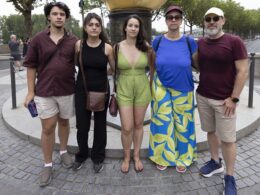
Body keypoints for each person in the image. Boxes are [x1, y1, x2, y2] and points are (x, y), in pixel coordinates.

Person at [23, 2, 78, 187]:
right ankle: (47, 164)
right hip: (44, 91)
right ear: (49, 16)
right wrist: (30, 92)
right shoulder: (38, 39)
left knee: (64, 122)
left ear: (66, 17)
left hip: (67, 90)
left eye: (62, 14)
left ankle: (63, 152)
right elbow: (30, 66)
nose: (59, 16)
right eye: (55, 13)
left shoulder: (73, 40)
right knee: (48, 128)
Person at [197, 7, 248, 195]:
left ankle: (229, 176)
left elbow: (243, 71)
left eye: (215, 18)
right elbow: (197, 64)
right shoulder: (201, 43)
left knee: (227, 139)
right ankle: (215, 162)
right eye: (208, 18)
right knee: (210, 131)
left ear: (223, 20)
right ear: (204, 22)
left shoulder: (234, 42)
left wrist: (233, 98)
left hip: (224, 101)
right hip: (202, 96)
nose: (211, 22)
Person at [148, 5, 197, 173]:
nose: (174, 20)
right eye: (170, 17)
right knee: (162, 122)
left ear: (181, 20)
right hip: (161, 86)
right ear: (166, 20)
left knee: (183, 125)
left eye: (177, 17)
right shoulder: (158, 40)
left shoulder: (189, 41)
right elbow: (152, 63)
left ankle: (184, 157)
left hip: (184, 88)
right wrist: (150, 84)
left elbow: (197, 65)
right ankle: (163, 156)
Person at [72, 13, 114, 173]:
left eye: (97, 24)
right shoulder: (79, 45)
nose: (94, 27)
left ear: (101, 28)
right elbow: (75, 64)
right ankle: (82, 154)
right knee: (82, 126)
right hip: (82, 90)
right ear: (85, 27)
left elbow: (114, 68)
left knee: (100, 126)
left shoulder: (107, 48)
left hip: (101, 90)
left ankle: (98, 157)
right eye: (91, 24)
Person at [116, 15, 153, 173]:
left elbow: (153, 68)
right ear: (125, 28)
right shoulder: (117, 47)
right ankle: (126, 157)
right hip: (124, 88)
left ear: (139, 29)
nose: (133, 28)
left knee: (138, 124)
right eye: (130, 25)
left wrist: (150, 87)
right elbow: (112, 68)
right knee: (126, 127)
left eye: (136, 26)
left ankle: (136, 156)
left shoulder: (146, 46)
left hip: (142, 88)